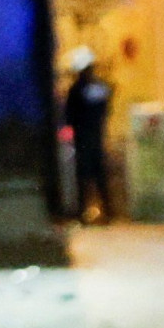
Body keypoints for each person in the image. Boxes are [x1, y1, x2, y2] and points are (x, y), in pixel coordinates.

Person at [62, 46, 116, 225]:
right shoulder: (101, 88)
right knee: (100, 176)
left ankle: (83, 213)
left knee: (83, 177)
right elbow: (106, 109)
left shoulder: (76, 90)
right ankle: (108, 212)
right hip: (97, 137)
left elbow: (69, 115)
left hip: (82, 139)